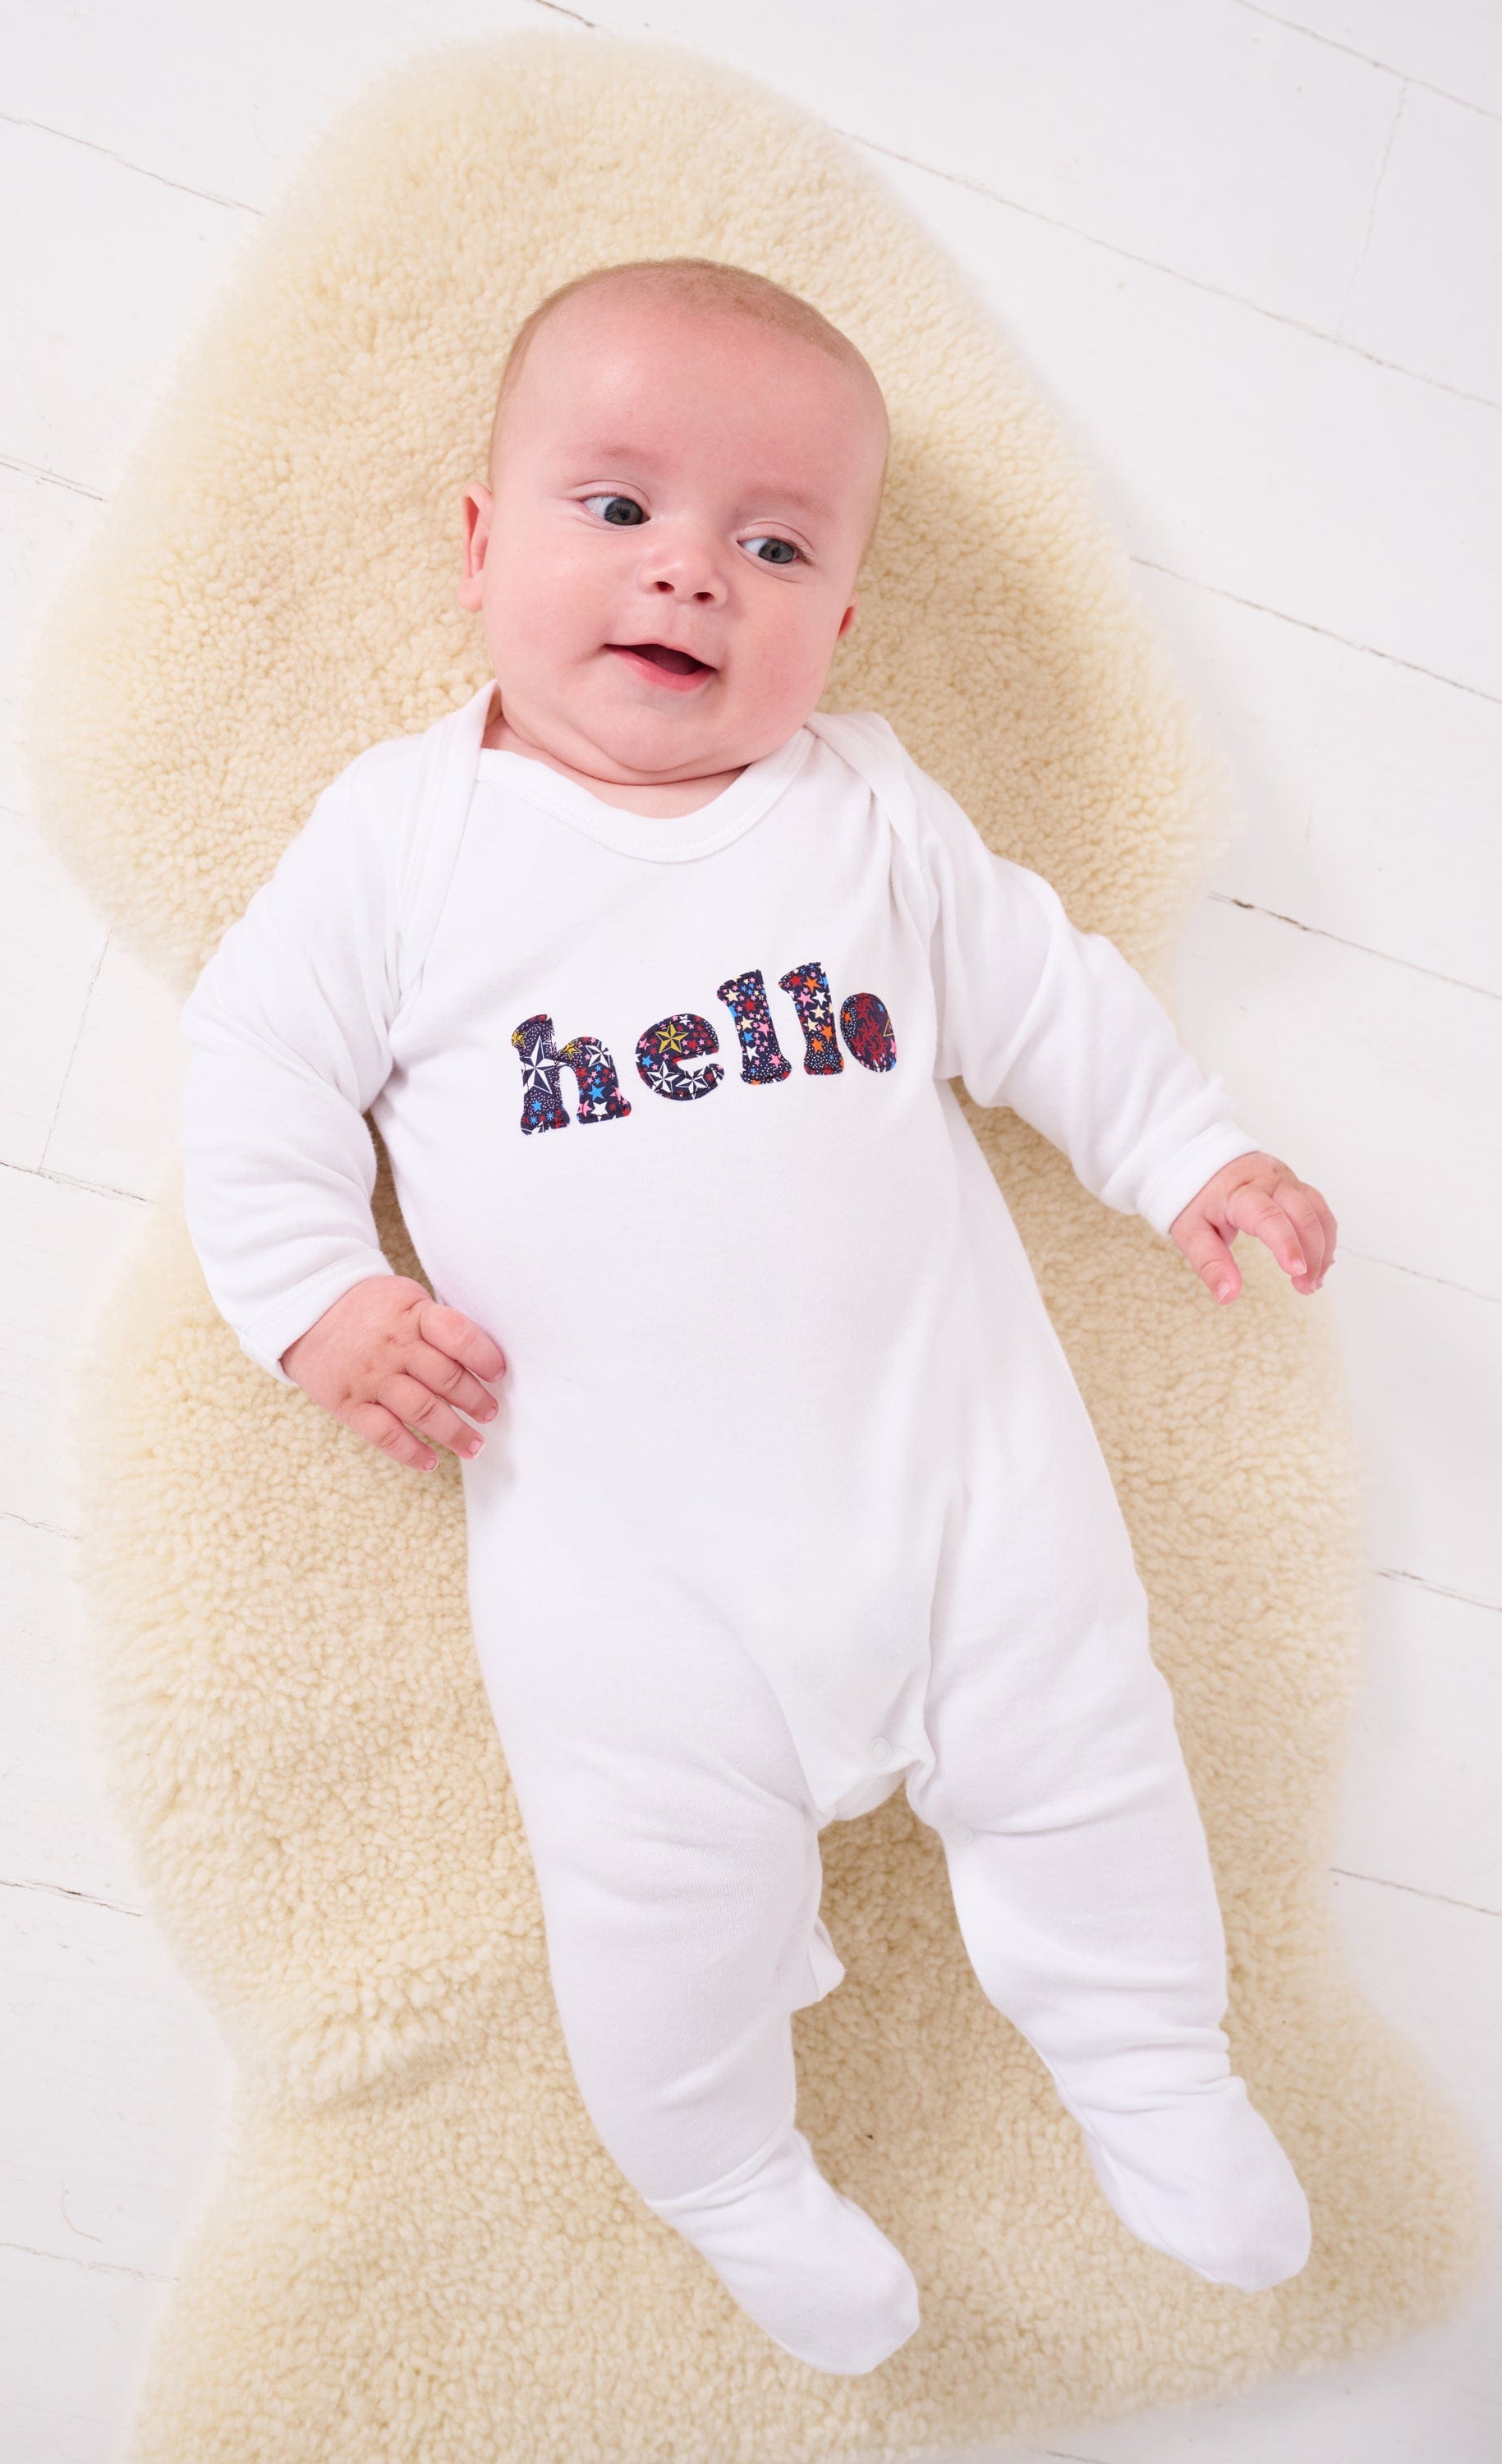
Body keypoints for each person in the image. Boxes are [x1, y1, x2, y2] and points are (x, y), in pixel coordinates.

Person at [178, 256, 1334, 2376]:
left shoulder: (869, 820)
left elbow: (1050, 999)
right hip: (631, 1568)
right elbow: (250, 1078)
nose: (691, 575)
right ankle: (719, 2171)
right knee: (653, 1910)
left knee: (1094, 1763)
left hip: (959, 1487)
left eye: (774, 542)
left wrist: (1187, 1155)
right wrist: (319, 1300)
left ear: (844, 619)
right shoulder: (404, 845)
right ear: (477, 545)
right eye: (615, 509)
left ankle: (1153, 2062)